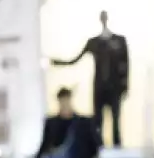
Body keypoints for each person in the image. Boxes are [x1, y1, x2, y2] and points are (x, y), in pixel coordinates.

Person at [50, 11, 129, 146]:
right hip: (99, 88)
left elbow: (125, 64)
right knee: (98, 120)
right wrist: (58, 62)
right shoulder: (93, 42)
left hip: (114, 88)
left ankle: (117, 146)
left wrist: (125, 85)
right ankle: (99, 147)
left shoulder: (119, 41)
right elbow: (75, 59)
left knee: (115, 119)